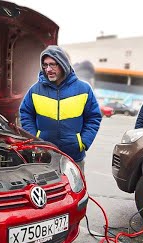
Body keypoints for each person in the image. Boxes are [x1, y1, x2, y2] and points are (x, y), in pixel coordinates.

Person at [19, 45, 102, 174]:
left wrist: (83, 142)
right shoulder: (35, 90)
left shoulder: (83, 89)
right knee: (47, 192)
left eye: (53, 65)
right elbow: (25, 114)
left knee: (75, 191)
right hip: (45, 157)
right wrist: (35, 138)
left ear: (63, 64)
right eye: (45, 65)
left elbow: (94, 117)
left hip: (74, 157)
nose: (48, 69)